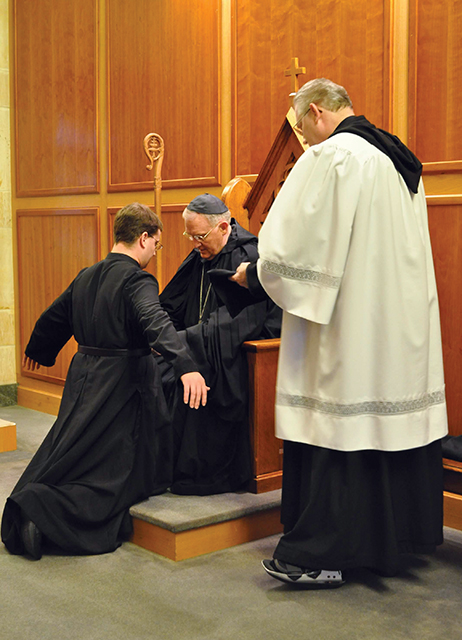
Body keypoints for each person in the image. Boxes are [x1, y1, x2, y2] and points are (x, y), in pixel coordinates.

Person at [232, 78, 448, 587]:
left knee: (337, 424)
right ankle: (395, 544)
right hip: (396, 325)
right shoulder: (400, 161)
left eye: (300, 125)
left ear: (316, 112)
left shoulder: (333, 157)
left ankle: (322, 552)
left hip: (349, 327)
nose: (302, 138)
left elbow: (294, 249)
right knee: (382, 427)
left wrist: (257, 272)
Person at [1, 203, 208, 560]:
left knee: (70, 452)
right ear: (143, 238)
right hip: (122, 385)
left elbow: (55, 315)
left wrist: (40, 347)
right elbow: (154, 320)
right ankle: (44, 512)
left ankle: (33, 504)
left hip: (84, 375)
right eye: (157, 245)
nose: (155, 254)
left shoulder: (87, 274)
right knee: (111, 476)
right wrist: (186, 365)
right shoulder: (136, 278)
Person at [158, 193, 281, 495]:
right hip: (202, 346)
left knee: (184, 380)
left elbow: (236, 323)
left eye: (199, 235)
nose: (194, 242)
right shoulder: (200, 254)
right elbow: (170, 304)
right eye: (189, 235)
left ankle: (199, 476)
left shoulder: (249, 257)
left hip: (235, 357)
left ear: (224, 228)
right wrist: (166, 340)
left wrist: (182, 344)